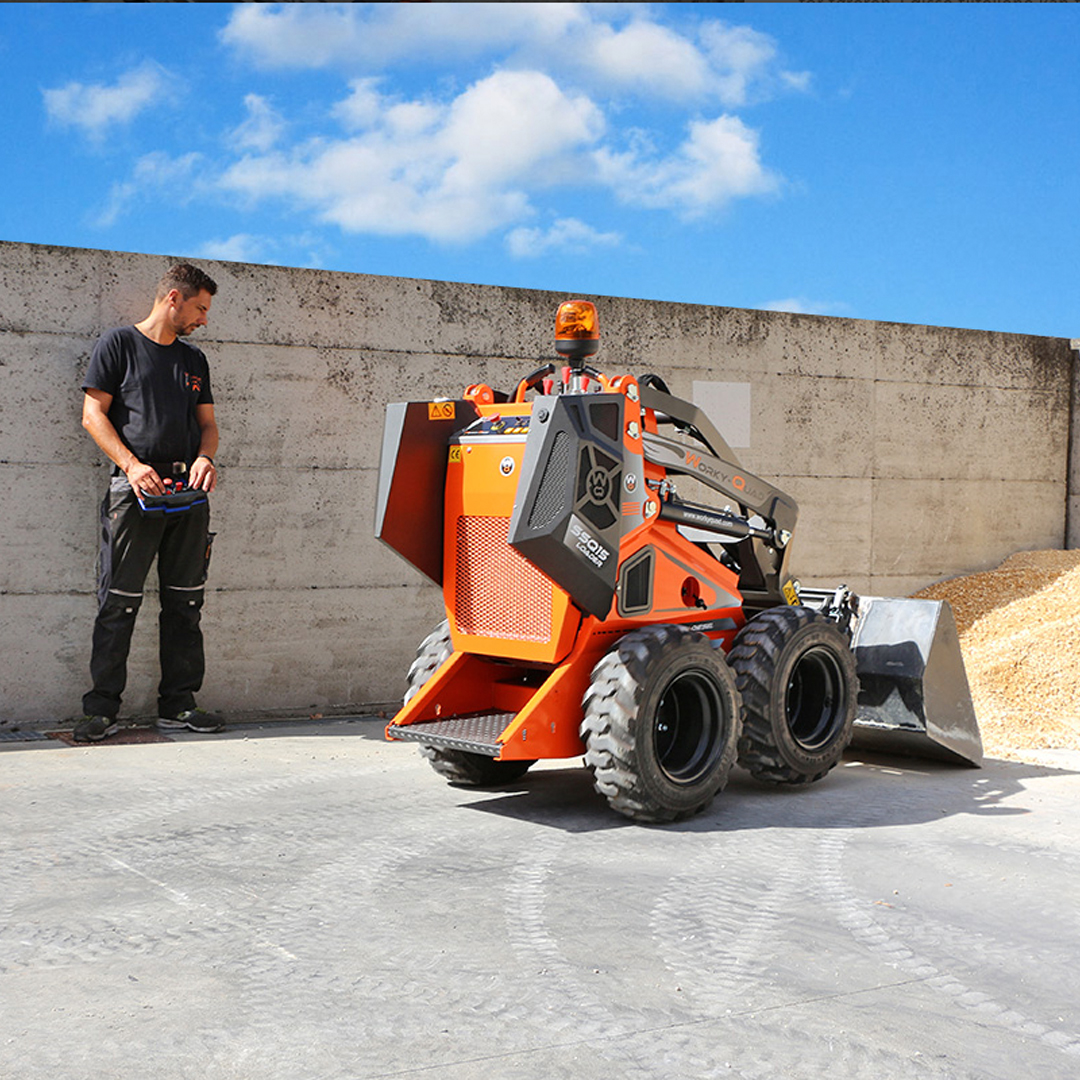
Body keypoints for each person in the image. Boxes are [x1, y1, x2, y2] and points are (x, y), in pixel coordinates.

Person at [75, 263, 224, 742]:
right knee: (117, 604)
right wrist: (133, 466)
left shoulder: (194, 360)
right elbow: (92, 415)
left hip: (187, 495)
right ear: (174, 298)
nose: (203, 319)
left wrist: (205, 458)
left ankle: (179, 706)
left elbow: (208, 425)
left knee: (185, 603)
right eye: (200, 308)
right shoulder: (118, 344)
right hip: (134, 492)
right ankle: (101, 710)